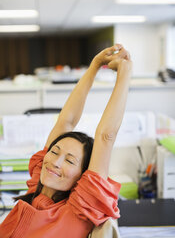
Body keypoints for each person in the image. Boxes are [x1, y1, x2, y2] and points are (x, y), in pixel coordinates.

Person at [0, 44, 132, 238]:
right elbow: (66, 121)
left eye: (70, 161)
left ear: (82, 178)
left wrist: (125, 72)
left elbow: (106, 136)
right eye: (54, 151)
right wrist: (94, 65)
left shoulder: (78, 209)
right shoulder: (39, 186)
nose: (55, 162)